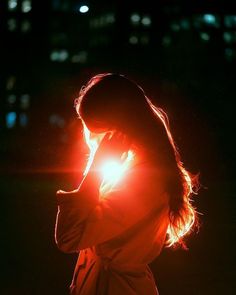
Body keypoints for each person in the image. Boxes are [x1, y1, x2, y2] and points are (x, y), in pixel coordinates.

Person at [55, 73, 199, 295]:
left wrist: (94, 166)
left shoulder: (143, 180)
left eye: (97, 130)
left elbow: (68, 237)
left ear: (117, 130)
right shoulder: (131, 167)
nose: (92, 140)